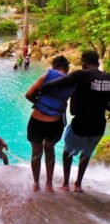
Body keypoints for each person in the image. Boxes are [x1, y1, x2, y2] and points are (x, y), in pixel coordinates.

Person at [41, 51, 110, 193]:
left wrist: (43, 88)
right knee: (86, 154)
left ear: (83, 63)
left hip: (80, 125)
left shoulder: (80, 75)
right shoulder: (109, 78)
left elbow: (57, 84)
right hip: (98, 127)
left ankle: (66, 184)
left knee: (68, 153)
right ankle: (78, 184)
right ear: (98, 63)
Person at [25, 55, 73, 192]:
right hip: (55, 123)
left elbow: (28, 94)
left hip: (36, 120)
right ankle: (49, 184)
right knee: (49, 150)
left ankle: (35, 183)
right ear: (66, 68)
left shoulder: (46, 76)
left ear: (54, 67)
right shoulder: (71, 82)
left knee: (36, 152)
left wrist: (39, 104)